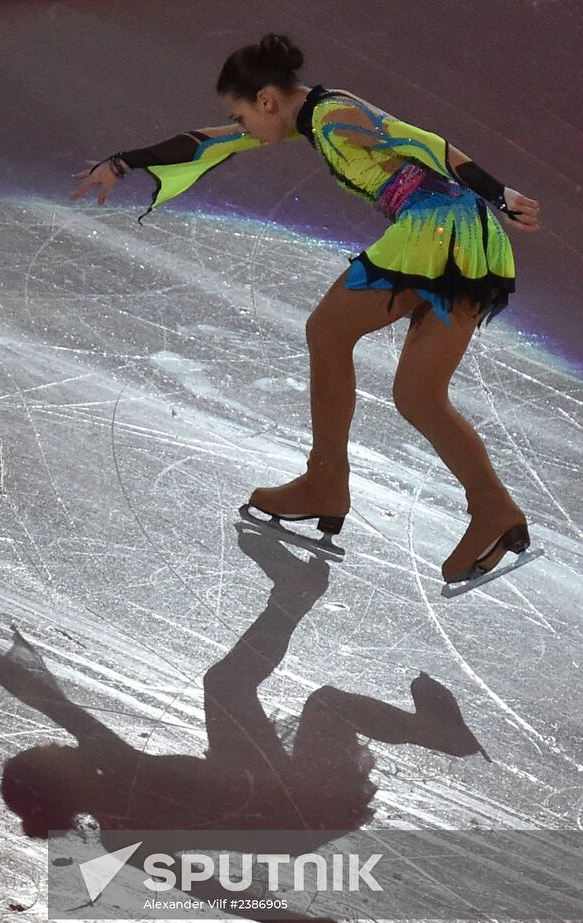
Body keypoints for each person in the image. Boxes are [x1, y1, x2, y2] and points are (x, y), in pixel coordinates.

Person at [70, 34, 540, 584]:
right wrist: (124, 162)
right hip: (473, 241)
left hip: (439, 231)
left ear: (267, 99)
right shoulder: (313, 116)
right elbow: (208, 143)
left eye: (243, 114)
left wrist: (499, 192)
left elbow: (426, 142)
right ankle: (494, 509)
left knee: (327, 330)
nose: (243, 127)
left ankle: (326, 481)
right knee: (418, 394)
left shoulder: (335, 115)